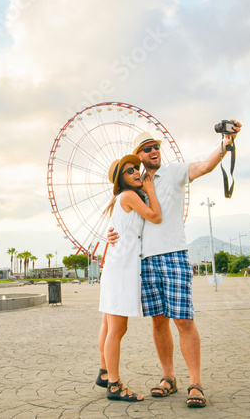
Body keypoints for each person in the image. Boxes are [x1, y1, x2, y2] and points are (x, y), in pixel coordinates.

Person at [104, 121, 242, 408]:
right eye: (147, 148)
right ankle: (169, 377)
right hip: (145, 261)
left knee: (184, 320)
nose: (154, 150)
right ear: (138, 156)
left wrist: (225, 143)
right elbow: (124, 217)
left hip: (174, 254)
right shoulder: (137, 183)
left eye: (156, 146)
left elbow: (204, 166)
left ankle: (195, 382)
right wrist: (111, 233)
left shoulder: (176, 171)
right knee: (158, 322)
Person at [97, 154, 162, 402]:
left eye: (136, 168)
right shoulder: (129, 195)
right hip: (122, 269)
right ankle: (114, 385)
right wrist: (151, 189)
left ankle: (104, 372)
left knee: (107, 325)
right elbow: (155, 216)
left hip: (115, 266)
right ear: (120, 180)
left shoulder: (117, 200)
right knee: (117, 328)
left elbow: (118, 229)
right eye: (129, 171)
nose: (136, 172)